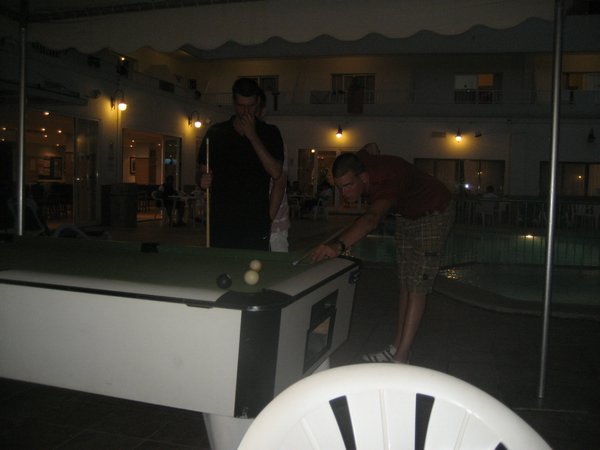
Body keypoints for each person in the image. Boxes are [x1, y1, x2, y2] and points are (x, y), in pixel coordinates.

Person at [311, 143, 454, 363]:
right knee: (405, 282)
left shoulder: (386, 183)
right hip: (407, 215)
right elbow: (371, 147)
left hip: (435, 211)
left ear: (364, 177)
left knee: (417, 285)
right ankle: (397, 348)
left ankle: (401, 358)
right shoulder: (359, 162)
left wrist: (337, 246)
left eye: (348, 186)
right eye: (340, 187)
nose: (344, 193)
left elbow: (371, 219)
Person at [198, 78, 284, 250]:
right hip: (221, 221)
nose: (245, 111)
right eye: (241, 106)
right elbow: (201, 170)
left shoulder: (270, 133)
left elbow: (276, 173)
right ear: (233, 102)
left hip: (255, 222)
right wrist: (201, 180)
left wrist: (252, 135)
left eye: (250, 106)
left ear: (258, 103)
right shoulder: (216, 133)